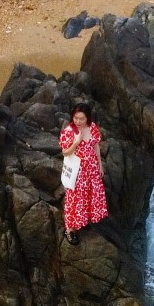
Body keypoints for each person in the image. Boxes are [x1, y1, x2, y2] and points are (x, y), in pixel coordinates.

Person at [60, 102, 109, 245]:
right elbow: (64, 151)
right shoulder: (69, 131)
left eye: (82, 118)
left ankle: (82, 220)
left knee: (89, 195)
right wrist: (76, 142)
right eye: (76, 118)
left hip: (91, 169)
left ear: (88, 118)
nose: (78, 121)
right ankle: (69, 229)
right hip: (77, 171)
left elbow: (96, 146)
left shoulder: (92, 127)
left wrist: (99, 165)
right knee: (74, 199)